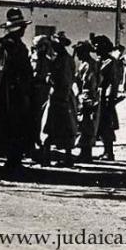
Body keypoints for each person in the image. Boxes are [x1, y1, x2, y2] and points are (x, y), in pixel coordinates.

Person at [0, 8, 33, 171]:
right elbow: (21, 70)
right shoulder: (16, 47)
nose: (24, 30)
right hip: (12, 91)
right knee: (15, 123)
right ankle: (13, 159)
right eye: (22, 27)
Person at [40, 32, 78, 167]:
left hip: (58, 97)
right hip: (64, 97)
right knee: (65, 128)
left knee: (50, 127)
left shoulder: (60, 61)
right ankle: (66, 157)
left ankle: (47, 158)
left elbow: (59, 79)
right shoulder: (66, 60)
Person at [92, 34, 122, 161]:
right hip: (97, 94)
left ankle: (109, 152)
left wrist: (110, 99)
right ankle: (105, 151)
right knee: (98, 124)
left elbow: (113, 82)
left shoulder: (111, 62)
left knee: (106, 125)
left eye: (99, 47)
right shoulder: (99, 61)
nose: (96, 49)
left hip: (105, 96)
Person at [28, 35, 55, 157]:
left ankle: (38, 142)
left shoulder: (48, 61)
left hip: (43, 91)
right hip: (31, 90)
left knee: (41, 118)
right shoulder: (31, 58)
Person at [73, 40, 100, 162]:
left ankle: (86, 153)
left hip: (88, 96)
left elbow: (88, 83)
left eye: (79, 52)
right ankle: (84, 152)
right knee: (83, 125)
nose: (77, 55)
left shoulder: (89, 65)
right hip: (83, 95)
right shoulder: (84, 64)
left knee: (86, 125)